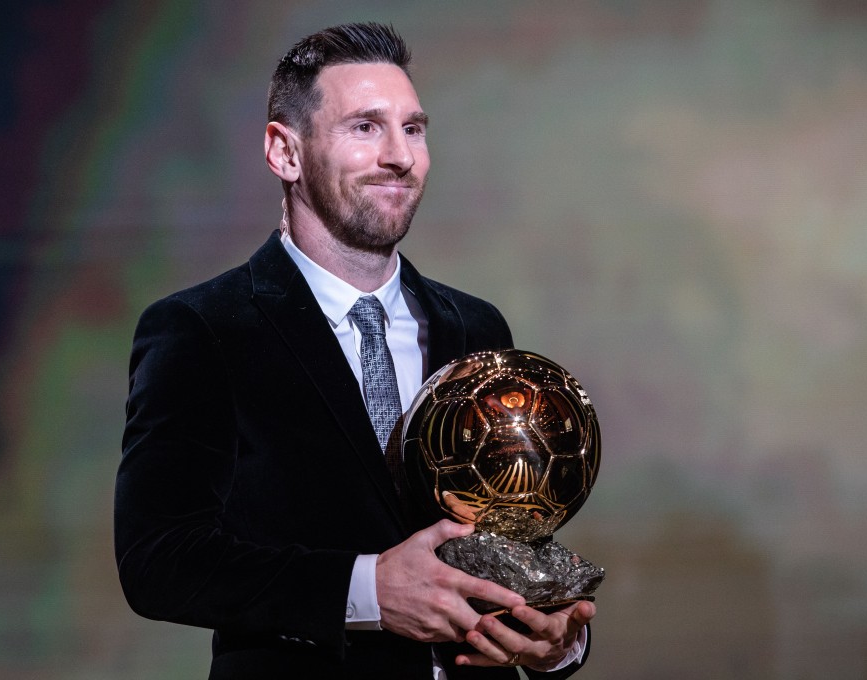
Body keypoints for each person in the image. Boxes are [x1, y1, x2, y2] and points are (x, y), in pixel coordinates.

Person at [115, 22, 595, 680]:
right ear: (284, 153)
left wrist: (553, 641)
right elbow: (158, 560)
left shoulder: (475, 328)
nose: (399, 155)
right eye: (365, 127)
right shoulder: (201, 330)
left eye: (414, 128)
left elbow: (506, 541)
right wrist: (366, 591)